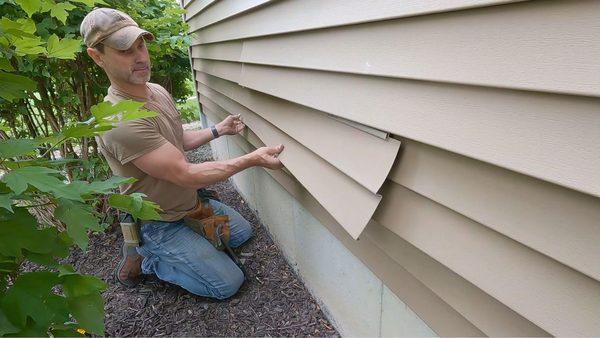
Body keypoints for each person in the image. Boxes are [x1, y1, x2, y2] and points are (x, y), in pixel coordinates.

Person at [80, 8, 284, 299]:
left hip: (187, 204)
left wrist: (218, 130)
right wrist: (252, 159)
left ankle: (188, 245)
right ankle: (147, 258)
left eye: (141, 45)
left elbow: (178, 140)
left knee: (241, 233)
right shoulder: (119, 122)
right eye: (125, 50)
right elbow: (185, 173)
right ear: (97, 56)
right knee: (227, 284)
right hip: (158, 222)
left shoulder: (156, 91)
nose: (140, 56)